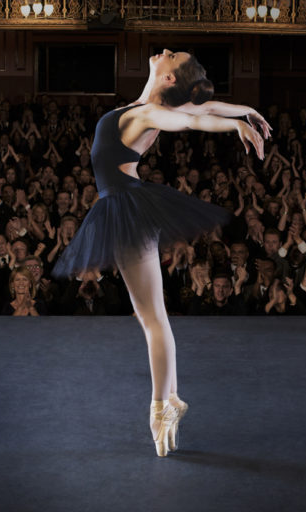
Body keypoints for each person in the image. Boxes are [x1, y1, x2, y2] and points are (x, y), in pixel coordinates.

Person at [51, 49, 270, 457]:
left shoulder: (147, 113)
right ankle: (168, 398)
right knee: (153, 316)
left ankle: (160, 407)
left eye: (171, 55)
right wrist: (246, 112)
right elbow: (205, 107)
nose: (164, 51)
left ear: (169, 77)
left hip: (124, 207)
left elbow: (193, 118)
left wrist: (233, 125)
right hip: (129, 205)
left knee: (152, 318)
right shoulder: (140, 107)